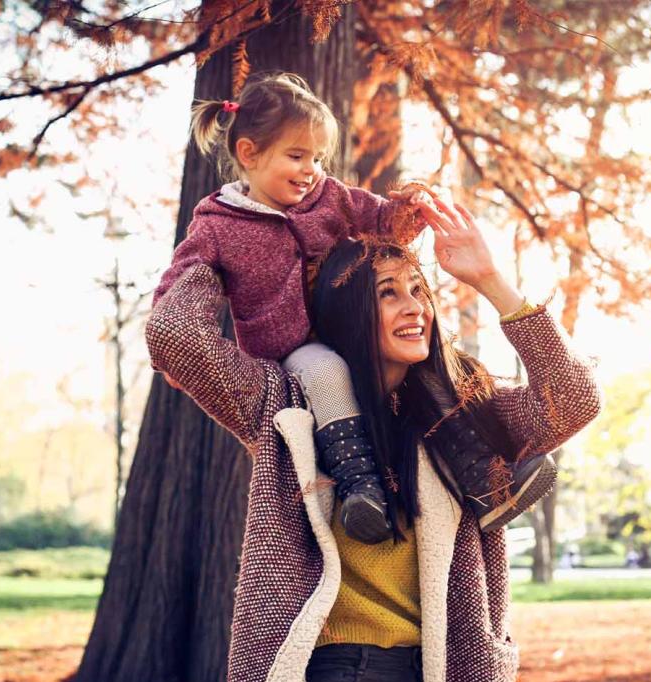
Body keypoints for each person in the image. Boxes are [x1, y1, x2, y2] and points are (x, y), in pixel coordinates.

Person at [146, 195, 602, 682]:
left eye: (419, 291)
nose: (414, 309)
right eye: (388, 293)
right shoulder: (287, 405)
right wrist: (217, 246)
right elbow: (174, 335)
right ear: (348, 309)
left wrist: (490, 279)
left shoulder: (461, 417)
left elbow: (573, 400)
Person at [152, 71, 556, 543]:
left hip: (350, 326)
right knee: (324, 372)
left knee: (425, 368)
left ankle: (487, 479)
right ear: (249, 153)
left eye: (318, 157)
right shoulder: (219, 224)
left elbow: (382, 220)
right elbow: (177, 287)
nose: (310, 170)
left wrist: (410, 208)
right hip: (293, 349)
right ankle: (361, 489)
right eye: (296, 156)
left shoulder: (330, 197)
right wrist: (173, 331)